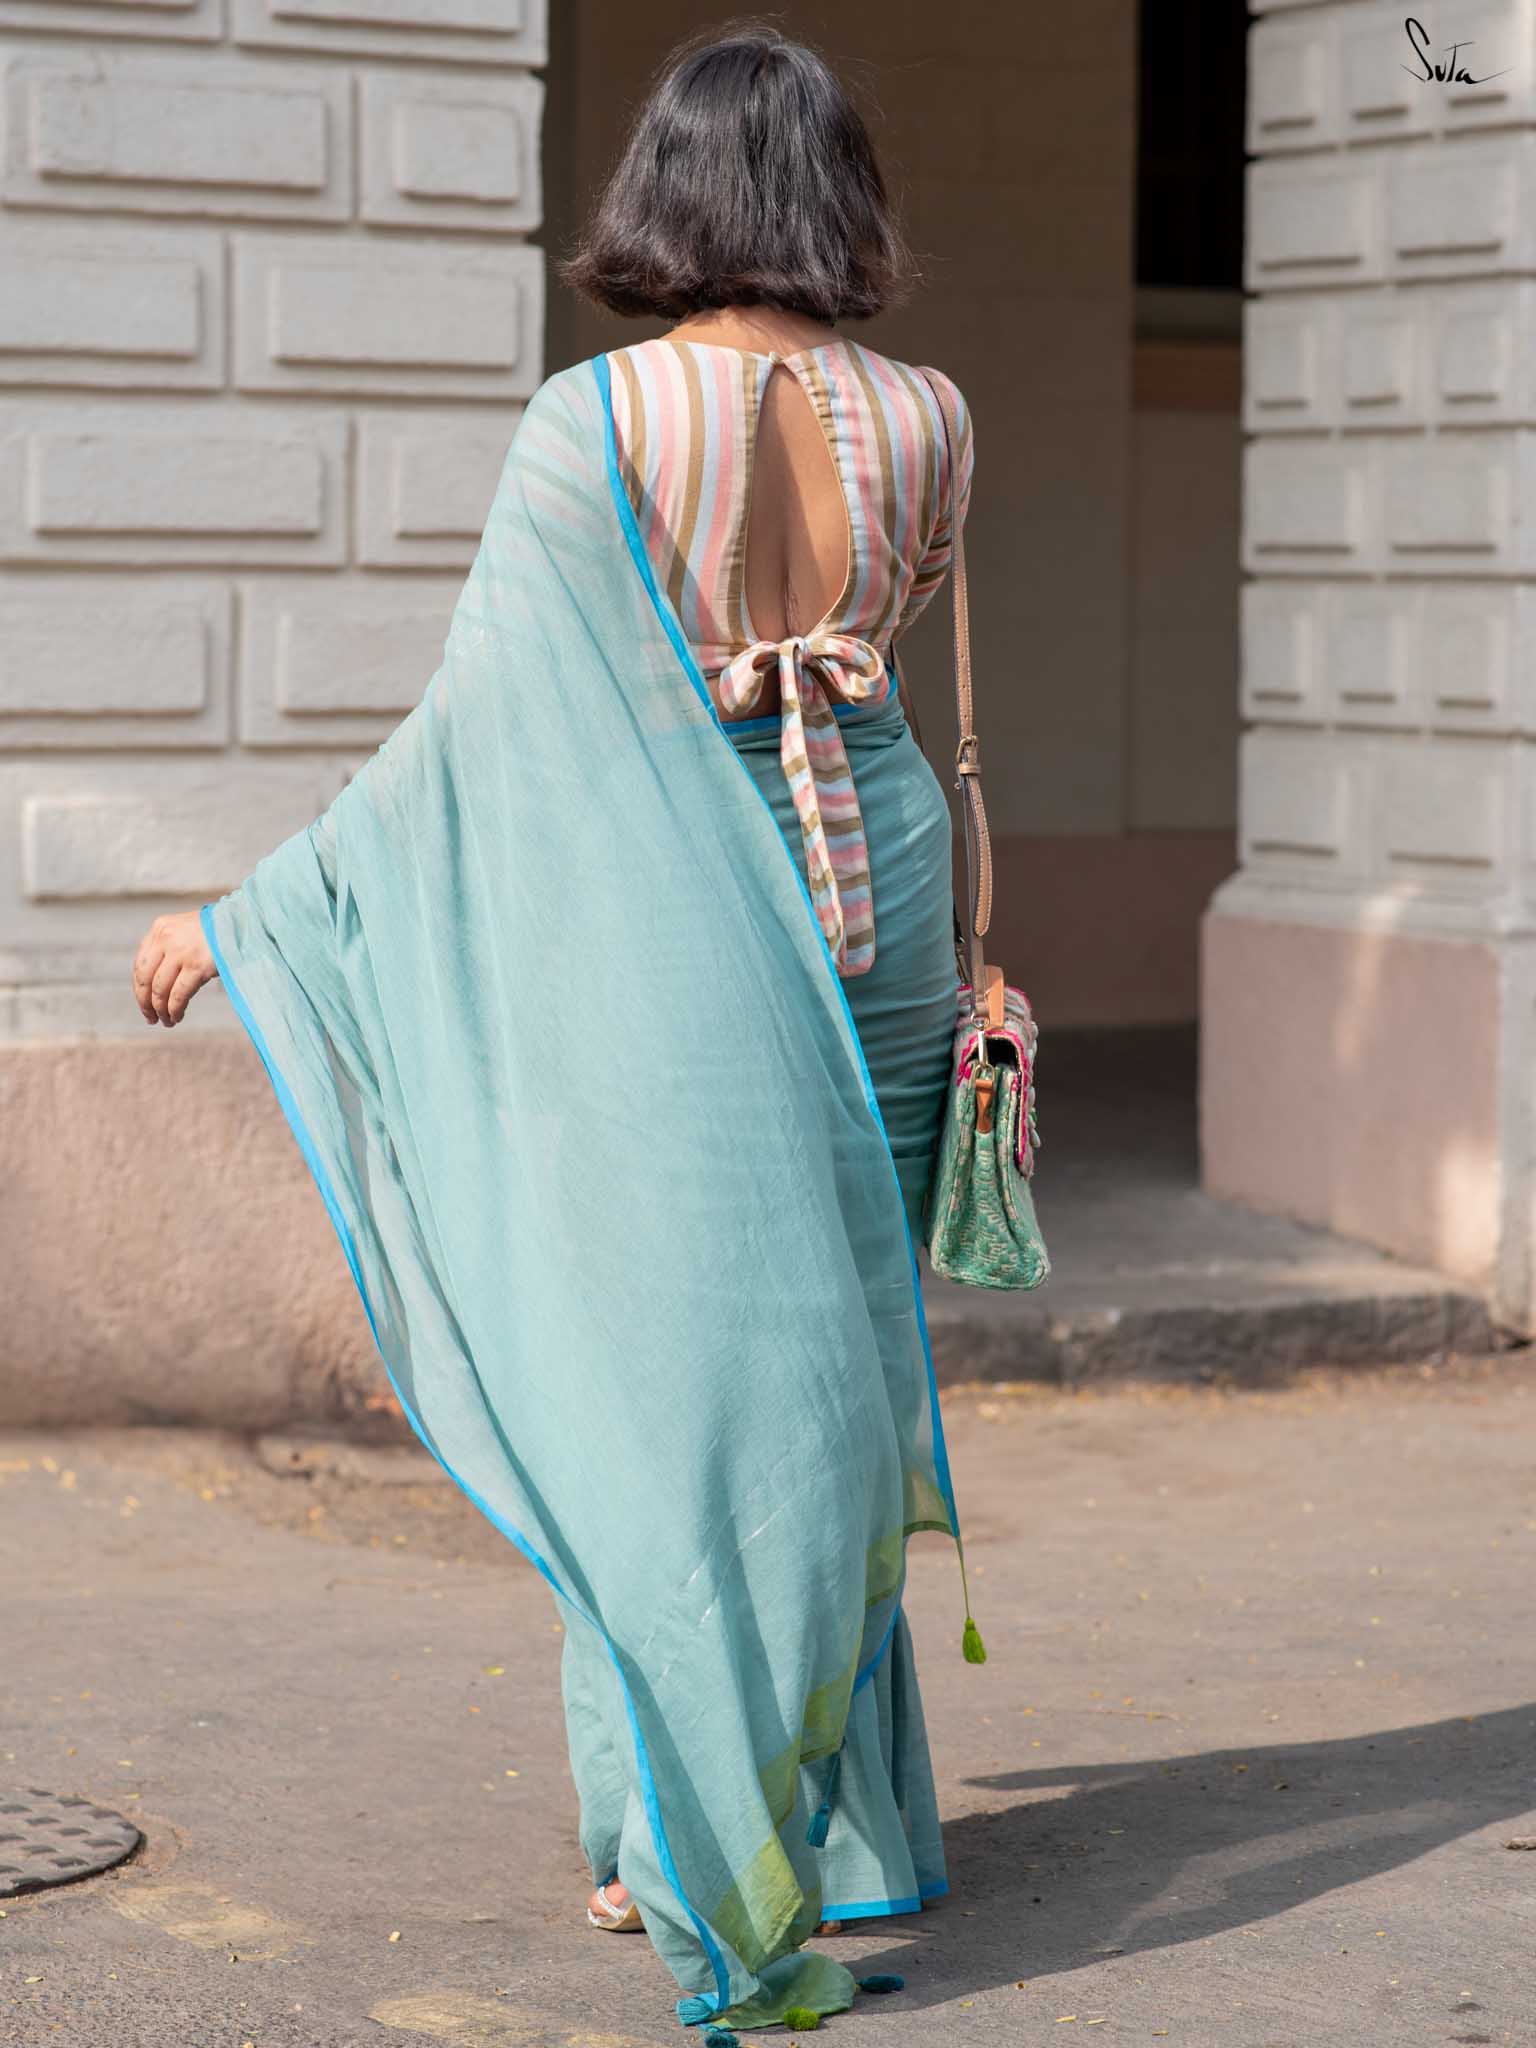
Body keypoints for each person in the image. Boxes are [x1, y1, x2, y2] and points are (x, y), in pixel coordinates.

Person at [129, 23, 980, 2036]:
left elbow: (477, 734)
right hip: (888, 901)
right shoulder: (932, 415)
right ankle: (831, 1823)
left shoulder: (594, 421)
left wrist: (254, 911)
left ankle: (685, 1836)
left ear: (667, 188)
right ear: (835, 189)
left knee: (660, 1385)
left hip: (686, 912)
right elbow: (886, 662)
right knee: (839, 1364)